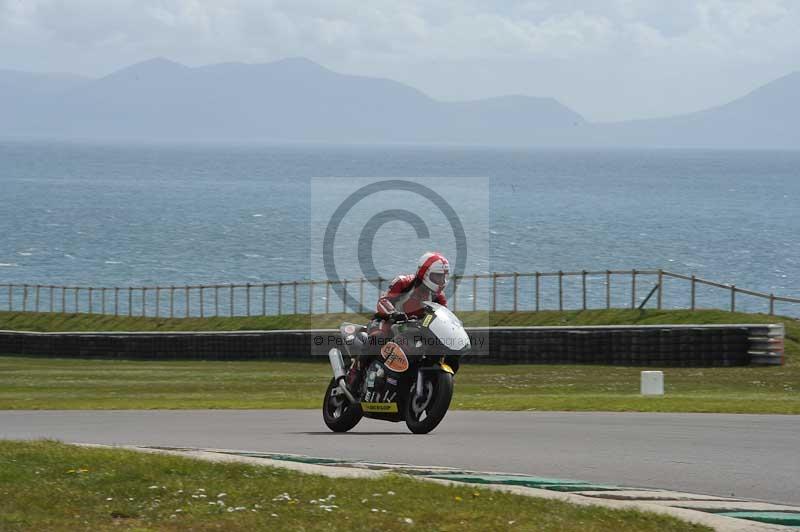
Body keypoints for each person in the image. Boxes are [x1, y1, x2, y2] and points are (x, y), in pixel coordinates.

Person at [346, 251, 450, 388]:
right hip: (387, 322)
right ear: (424, 273)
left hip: (412, 331)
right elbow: (383, 301)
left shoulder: (439, 298)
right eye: (437, 276)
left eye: (443, 277)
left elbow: (442, 317)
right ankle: (355, 373)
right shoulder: (404, 282)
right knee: (378, 338)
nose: (441, 281)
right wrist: (394, 313)